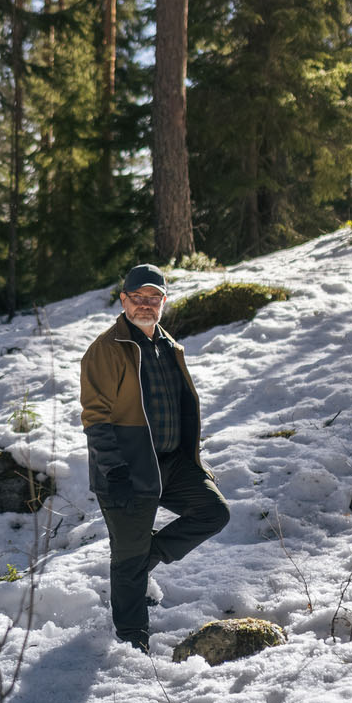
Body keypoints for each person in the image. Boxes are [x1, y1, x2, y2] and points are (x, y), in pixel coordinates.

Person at [79, 264, 230, 651]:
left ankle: (144, 559)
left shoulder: (169, 346)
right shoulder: (105, 350)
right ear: (124, 299)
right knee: (127, 559)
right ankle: (133, 642)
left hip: (173, 462)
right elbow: (96, 418)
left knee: (214, 512)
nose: (145, 305)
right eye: (138, 297)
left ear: (163, 301)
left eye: (153, 298)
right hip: (128, 468)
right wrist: (114, 470)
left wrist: (195, 460)